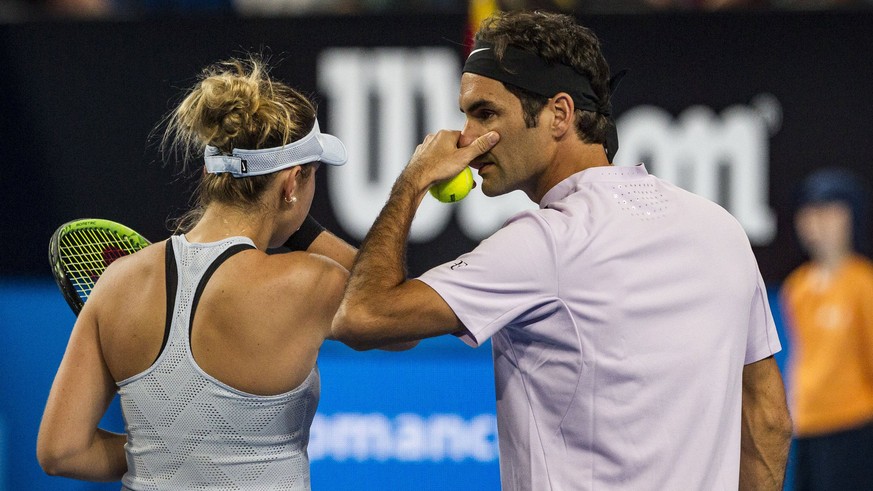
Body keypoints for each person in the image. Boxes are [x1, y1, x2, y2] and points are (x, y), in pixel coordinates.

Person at [332, 9, 792, 490]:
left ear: (559, 114)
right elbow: (767, 419)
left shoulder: (546, 242)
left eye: (485, 113)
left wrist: (413, 181)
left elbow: (362, 315)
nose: (464, 137)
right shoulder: (720, 229)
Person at [36, 56, 410, 490]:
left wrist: (171, 447)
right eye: (310, 179)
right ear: (292, 183)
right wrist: (301, 223)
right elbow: (401, 325)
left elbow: (61, 451)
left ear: (210, 172)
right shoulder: (311, 282)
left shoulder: (117, 283)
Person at [780, 168, 873, 490]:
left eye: (828, 211)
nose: (816, 222)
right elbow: (802, 356)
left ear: (850, 216)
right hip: (807, 427)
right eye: (809, 212)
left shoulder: (863, 284)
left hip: (853, 426)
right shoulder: (798, 287)